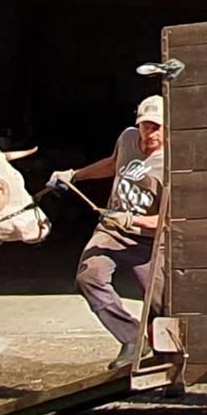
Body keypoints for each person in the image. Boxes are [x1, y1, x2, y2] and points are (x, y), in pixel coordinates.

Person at [66, 94, 164, 364]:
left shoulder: (173, 162)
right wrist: (74, 175)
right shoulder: (127, 138)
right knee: (89, 277)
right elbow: (112, 164)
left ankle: (169, 363)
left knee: (163, 302)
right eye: (145, 126)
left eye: (156, 127)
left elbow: (170, 219)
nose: (150, 133)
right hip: (112, 231)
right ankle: (132, 337)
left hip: (151, 239)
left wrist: (132, 220)